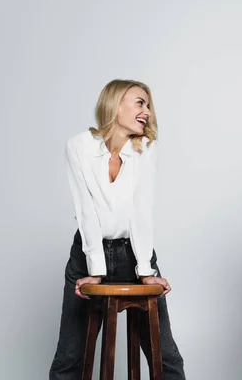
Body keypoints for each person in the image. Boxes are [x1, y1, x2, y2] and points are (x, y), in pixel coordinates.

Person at [49, 79, 185, 379]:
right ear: (116, 103)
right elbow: (85, 210)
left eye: (148, 105)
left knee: (166, 356)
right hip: (86, 252)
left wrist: (146, 269)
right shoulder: (79, 146)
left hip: (133, 252)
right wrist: (95, 268)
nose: (147, 111)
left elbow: (141, 209)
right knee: (70, 357)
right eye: (140, 102)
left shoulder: (146, 148)